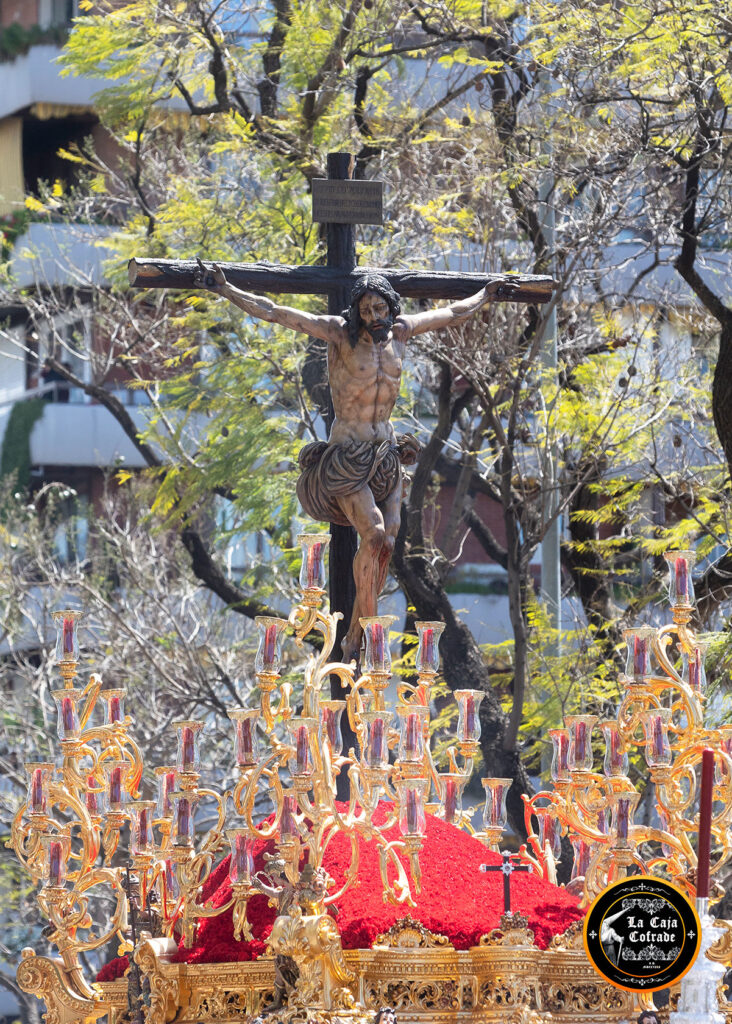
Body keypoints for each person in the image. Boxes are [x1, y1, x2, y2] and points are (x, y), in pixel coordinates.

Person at [195, 260, 516, 659]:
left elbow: (451, 313)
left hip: (387, 455)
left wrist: (486, 294)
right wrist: (226, 289)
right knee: (376, 533)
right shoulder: (338, 334)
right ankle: (370, 636)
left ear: (390, 306)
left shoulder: (402, 332)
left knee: (389, 540)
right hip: (348, 458)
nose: (374, 316)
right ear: (356, 312)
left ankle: (353, 635)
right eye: (366, 310)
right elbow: (276, 312)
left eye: (379, 308)